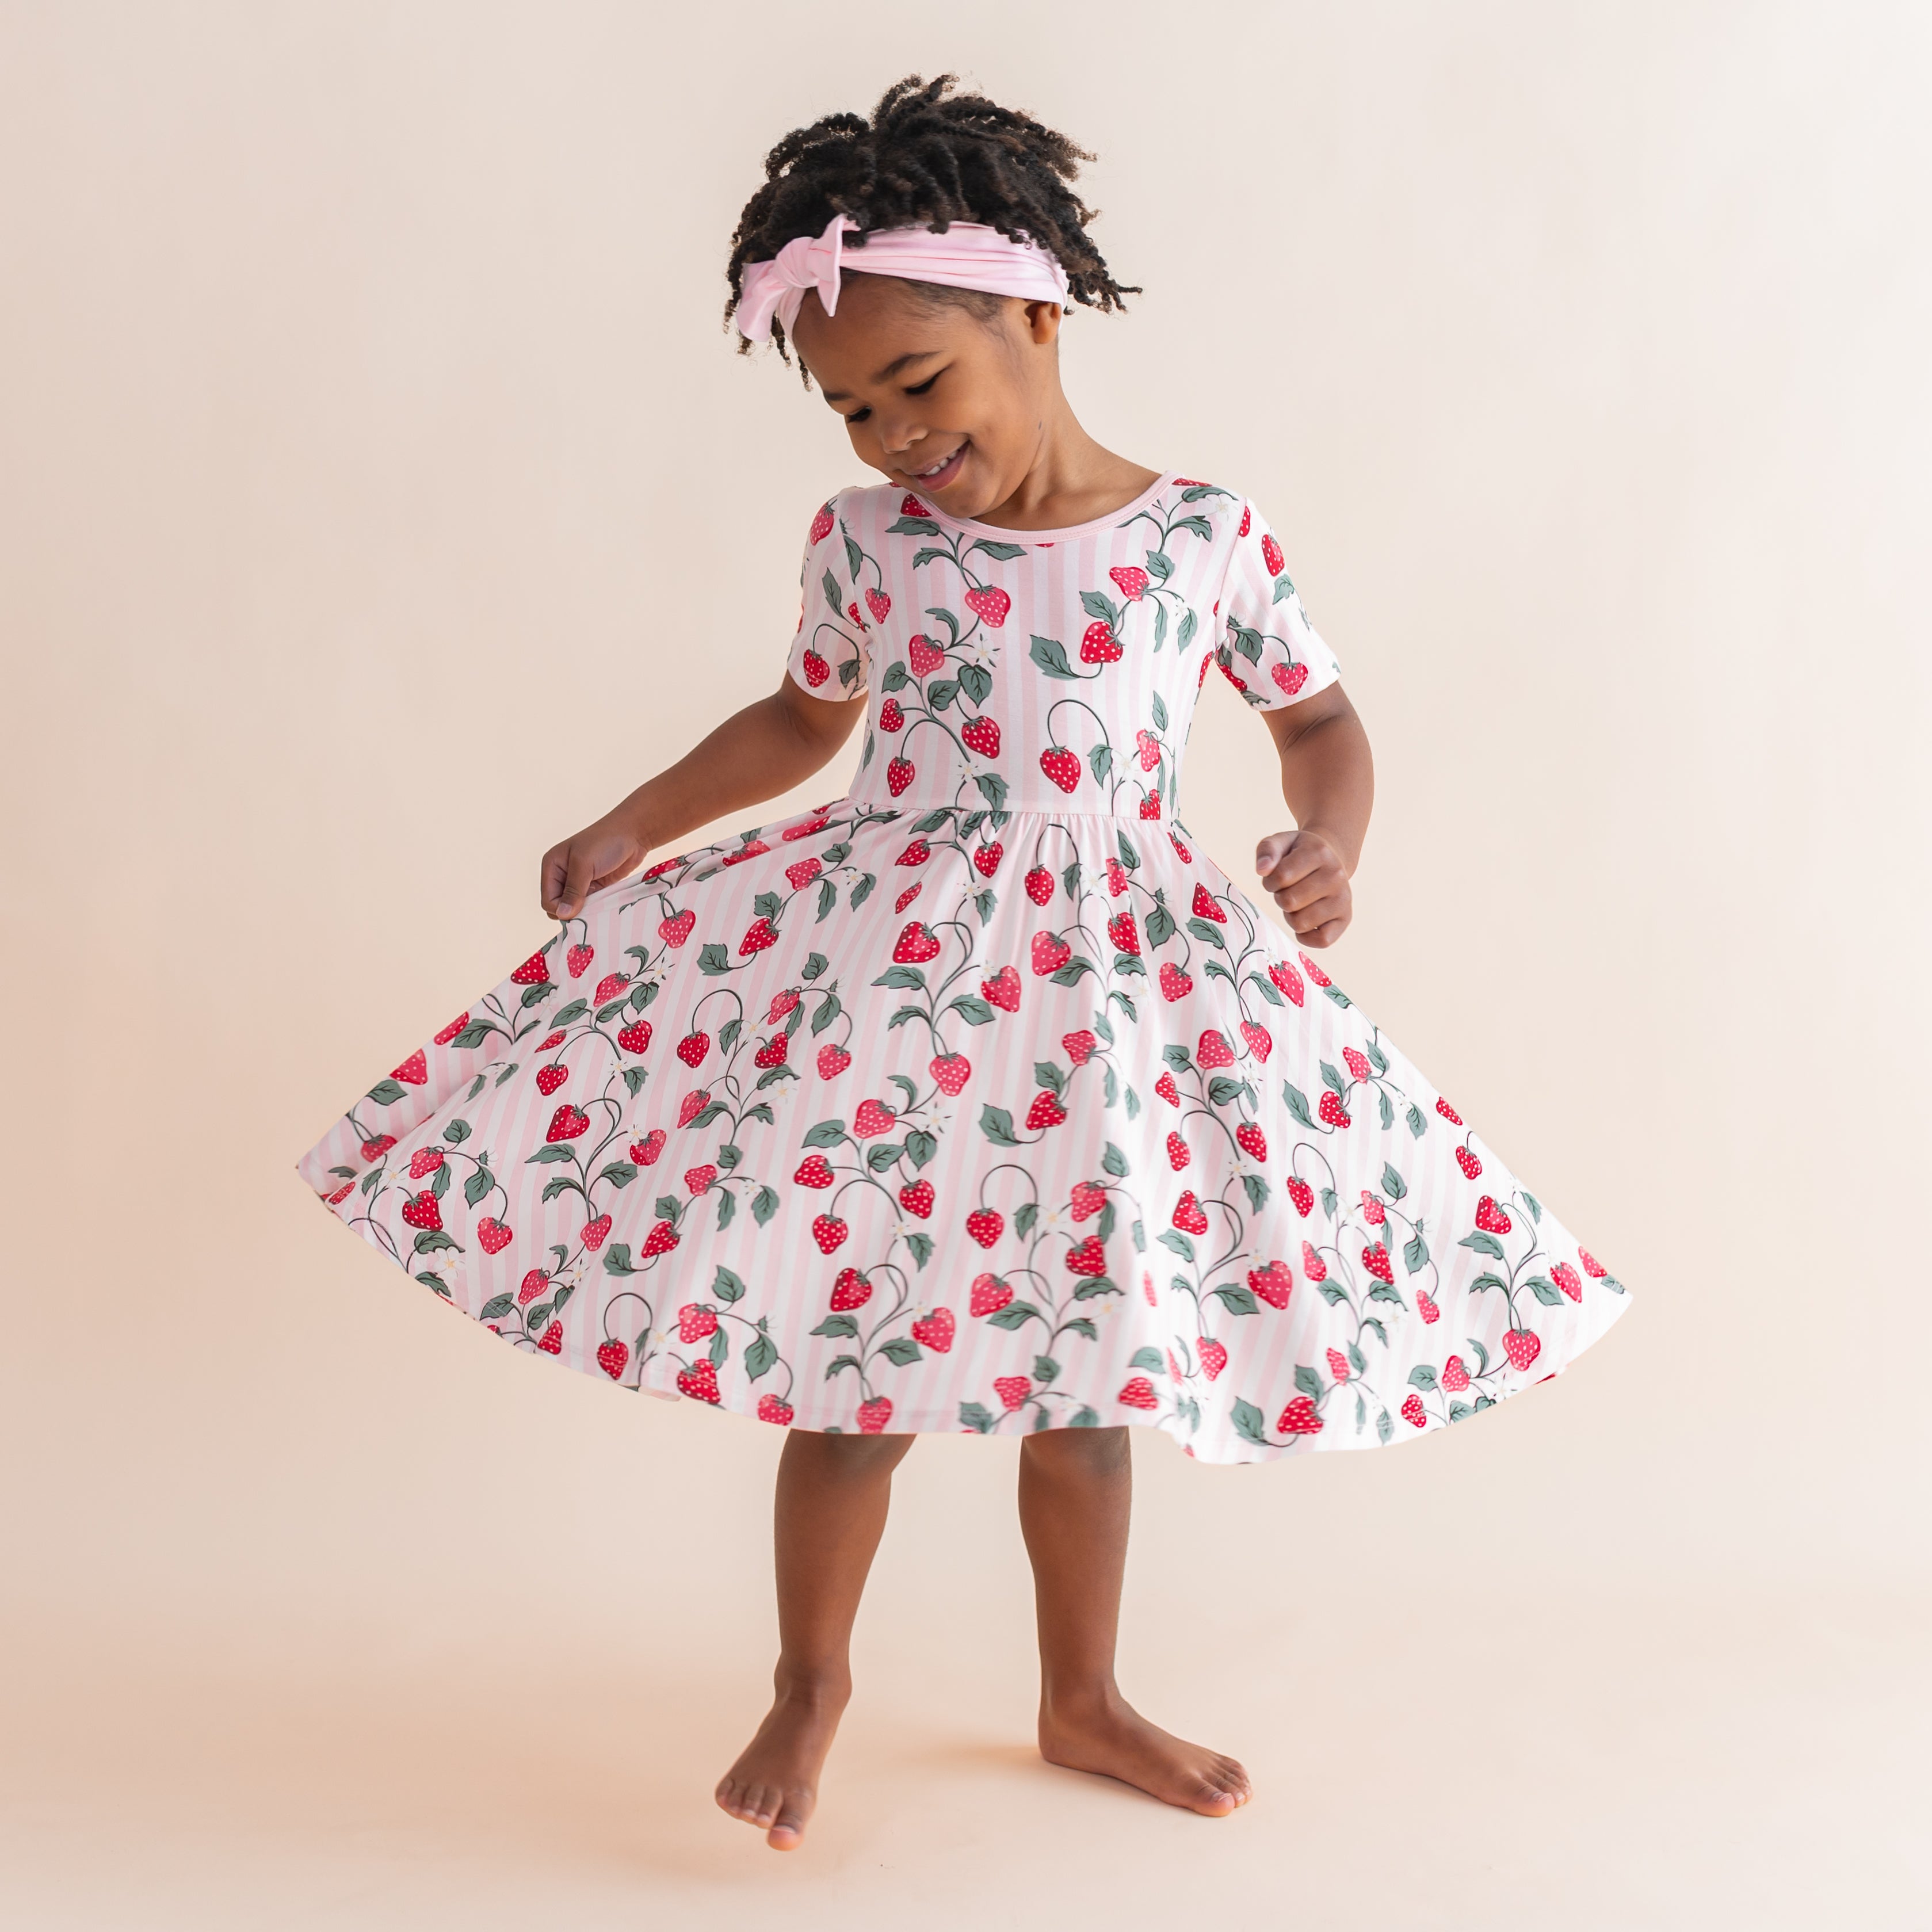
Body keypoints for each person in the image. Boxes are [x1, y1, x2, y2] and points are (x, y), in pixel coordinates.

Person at [299, 72, 1629, 1850]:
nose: (888, 438)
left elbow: (1320, 723)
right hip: (892, 987)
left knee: (1090, 1382)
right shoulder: (867, 545)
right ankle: (809, 1680)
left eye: (917, 385)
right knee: (855, 1363)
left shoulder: (1200, 537)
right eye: (850, 408)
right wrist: (640, 823)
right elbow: (800, 719)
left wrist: (1333, 844)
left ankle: (1080, 1696)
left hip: (1117, 1001)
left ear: (1032, 310)